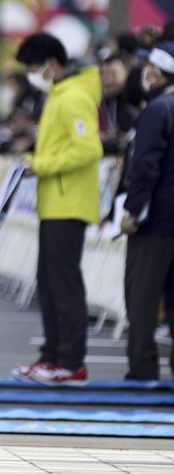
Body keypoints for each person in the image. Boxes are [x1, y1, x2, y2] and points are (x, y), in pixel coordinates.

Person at [12, 32, 102, 386]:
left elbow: (88, 149)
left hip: (69, 204)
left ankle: (70, 361)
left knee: (63, 286)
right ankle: (52, 357)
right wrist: (35, 160)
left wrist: (41, 165)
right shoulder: (58, 95)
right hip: (55, 204)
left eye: (34, 67)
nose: (32, 74)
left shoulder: (74, 96)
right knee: (48, 284)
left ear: (51, 64)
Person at [120, 41, 174, 381]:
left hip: (155, 222)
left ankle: (143, 369)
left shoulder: (158, 109)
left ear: (155, 71)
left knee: (142, 297)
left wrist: (131, 211)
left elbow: (145, 167)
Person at [0, 72, 44, 155]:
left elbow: (35, 124)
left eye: (12, 86)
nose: (10, 90)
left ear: (20, 85)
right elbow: (10, 120)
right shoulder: (18, 101)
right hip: (19, 139)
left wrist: (26, 126)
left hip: (32, 141)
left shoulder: (36, 97)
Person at [97, 54, 139, 156]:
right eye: (103, 74)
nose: (107, 80)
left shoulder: (133, 106)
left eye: (113, 74)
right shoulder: (97, 102)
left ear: (127, 74)